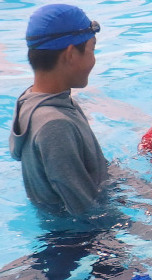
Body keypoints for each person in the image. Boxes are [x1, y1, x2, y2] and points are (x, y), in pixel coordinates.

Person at [9, 4, 108, 218]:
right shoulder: (55, 124)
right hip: (74, 243)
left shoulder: (32, 101)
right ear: (71, 54)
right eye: (92, 50)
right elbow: (86, 211)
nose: (93, 59)